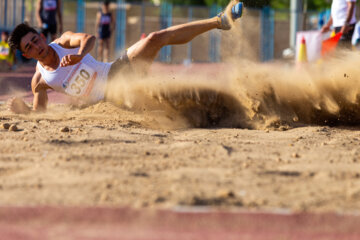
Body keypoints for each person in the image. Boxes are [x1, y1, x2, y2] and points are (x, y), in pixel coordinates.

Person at [7, 0, 243, 114]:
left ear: (39, 35)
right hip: (108, 101)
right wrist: (23, 110)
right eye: (30, 46)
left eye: (36, 39)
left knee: (153, 38)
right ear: (26, 54)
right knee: (164, 106)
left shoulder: (62, 42)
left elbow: (88, 38)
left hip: (116, 71)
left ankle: (219, 21)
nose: (37, 46)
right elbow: (40, 113)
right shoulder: (40, 81)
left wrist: (79, 55)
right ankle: (221, 107)